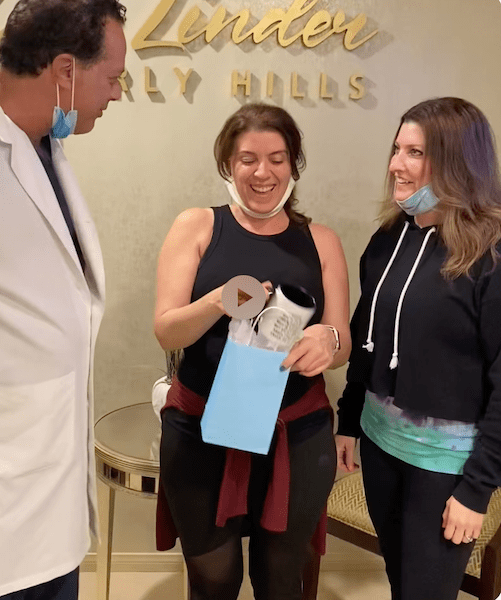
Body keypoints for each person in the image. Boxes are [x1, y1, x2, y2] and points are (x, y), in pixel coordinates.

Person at [154, 103, 351, 600]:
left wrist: (327, 342)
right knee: (214, 580)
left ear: (293, 165)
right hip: (202, 430)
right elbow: (167, 332)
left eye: (277, 158)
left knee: (280, 580)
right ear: (227, 164)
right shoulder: (197, 226)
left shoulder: (321, 241)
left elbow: (343, 341)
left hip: (297, 433)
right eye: (248, 159)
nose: (262, 172)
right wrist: (220, 301)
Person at [336, 97, 501, 600]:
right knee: (400, 582)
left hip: (446, 468)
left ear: (456, 162)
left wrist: (476, 491)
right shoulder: (389, 237)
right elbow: (367, 337)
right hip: (381, 446)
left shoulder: (490, 255)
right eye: (396, 149)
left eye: (414, 152)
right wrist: (347, 419)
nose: (395, 165)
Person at [0, 1, 126, 598]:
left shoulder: (44, 149)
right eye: (113, 78)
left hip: (48, 483)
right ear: (66, 70)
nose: (118, 94)